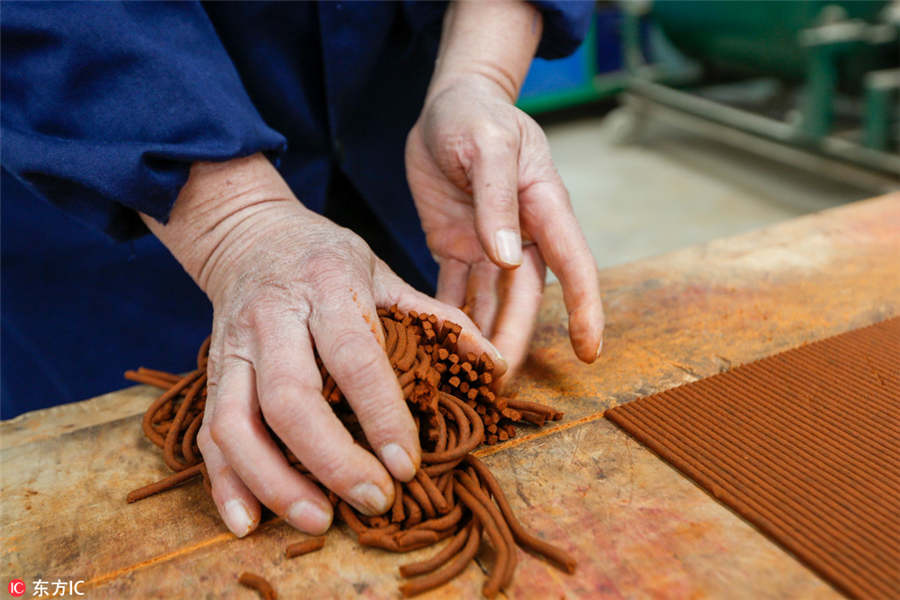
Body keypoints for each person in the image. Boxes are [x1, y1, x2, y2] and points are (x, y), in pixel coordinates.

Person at [1, 1, 604, 538]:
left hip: (391, 132)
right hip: (119, 179)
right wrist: (235, 222)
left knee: (382, 368)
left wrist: (477, 77)